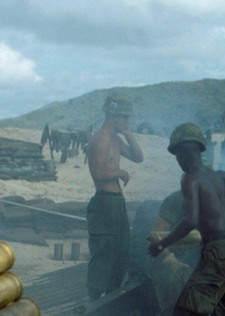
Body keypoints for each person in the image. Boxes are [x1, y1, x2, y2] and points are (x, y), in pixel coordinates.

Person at [148, 122, 225, 316]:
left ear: (181, 154)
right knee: (221, 311)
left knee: (185, 310)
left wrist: (162, 244)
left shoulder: (190, 178)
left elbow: (190, 220)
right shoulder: (219, 176)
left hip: (218, 252)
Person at [86, 93, 144, 300]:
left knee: (122, 252)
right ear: (113, 116)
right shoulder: (99, 140)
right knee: (103, 253)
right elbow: (98, 174)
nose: (127, 121)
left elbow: (138, 157)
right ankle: (93, 302)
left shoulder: (116, 140)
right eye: (125, 117)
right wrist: (120, 173)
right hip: (104, 202)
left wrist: (128, 133)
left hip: (116, 202)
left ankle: (111, 298)